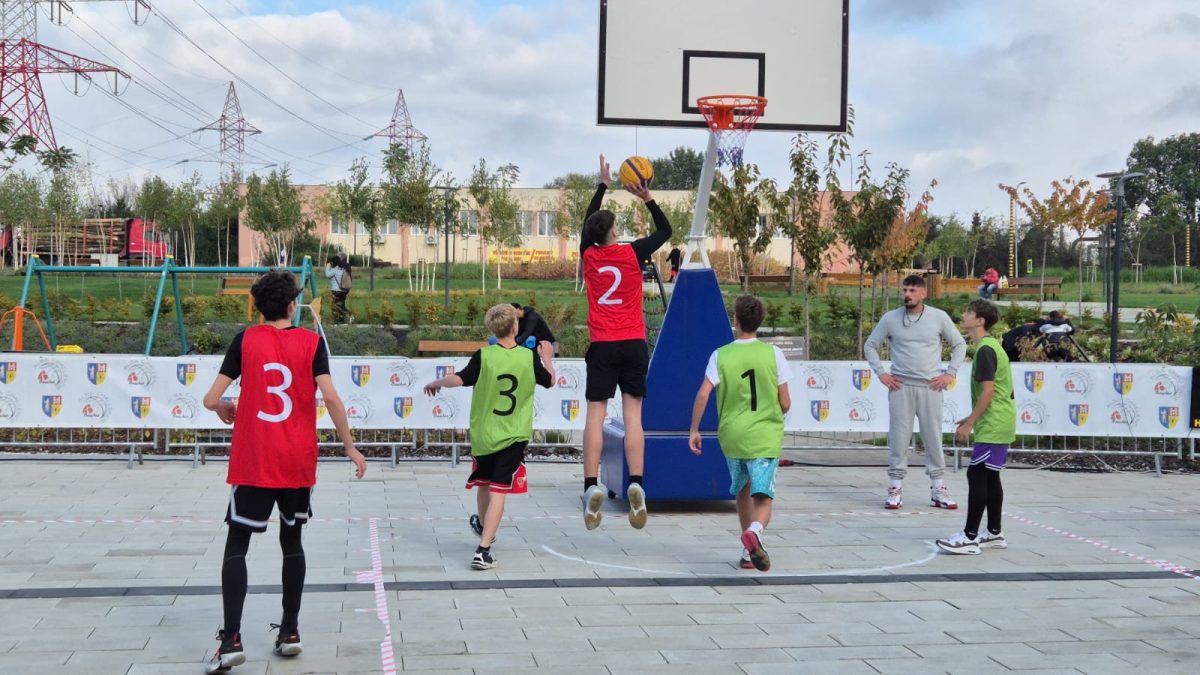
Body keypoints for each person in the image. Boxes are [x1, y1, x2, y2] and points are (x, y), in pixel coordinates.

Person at [201, 269, 367, 674]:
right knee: (292, 542)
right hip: (296, 459)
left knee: (237, 544)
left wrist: (223, 408)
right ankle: (290, 631)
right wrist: (349, 445)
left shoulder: (246, 340)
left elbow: (211, 398)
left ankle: (231, 640)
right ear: (293, 305)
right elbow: (329, 397)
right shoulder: (311, 344)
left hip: (255, 457)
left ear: (258, 307)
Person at [423, 304, 555, 569]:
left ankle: (483, 526)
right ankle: (483, 549)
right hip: (513, 433)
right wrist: (548, 358)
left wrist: (437, 382)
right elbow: (550, 381)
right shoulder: (527, 357)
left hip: (484, 432)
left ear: (492, 330)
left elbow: (459, 380)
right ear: (515, 327)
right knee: (499, 490)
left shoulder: (483, 356)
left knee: (484, 483)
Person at [579, 153, 672, 530]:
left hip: (602, 344)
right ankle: (636, 482)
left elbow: (587, 225)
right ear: (614, 232)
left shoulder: (589, 255)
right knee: (633, 417)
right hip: (633, 341)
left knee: (595, 416)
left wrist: (602, 184)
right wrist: (647, 197)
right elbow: (665, 232)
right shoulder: (634, 252)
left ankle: (589, 485)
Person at [687, 296, 791, 571]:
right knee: (764, 497)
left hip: (732, 435)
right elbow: (786, 402)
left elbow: (703, 394)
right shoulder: (773, 354)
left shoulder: (720, 354)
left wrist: (695, 429)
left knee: (743, 491)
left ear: (736, 320)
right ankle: (755, 532)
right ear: (760, 322)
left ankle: (747, 552)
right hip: (764, 435)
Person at [865, 274, 967, 510]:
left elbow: (959, 344)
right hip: (901, 386)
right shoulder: (890, 318)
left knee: (933, 437)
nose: (907, 295)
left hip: (930, 386)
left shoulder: (938, 317)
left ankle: (938, 488)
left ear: (923, 293)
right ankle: (895, 488)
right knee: (899, 438)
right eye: (905, 290)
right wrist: (881, 373)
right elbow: (870, 345)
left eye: (912, 290)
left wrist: (950, 373)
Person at [936, 299, 1015, 554]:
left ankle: (970, 537)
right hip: (999, 420)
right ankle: (993, 532)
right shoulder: (989, 346)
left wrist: (970, 423)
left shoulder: (985, 350)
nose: (964, 314)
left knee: (977, 474)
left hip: (994, 422)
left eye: (969, 312)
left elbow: (989, 392)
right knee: (990, 476)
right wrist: (971, 417)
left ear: (980, 320)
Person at [324, 254, 351, 324]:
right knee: (341, 305)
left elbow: (327, 275)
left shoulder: (335, 269)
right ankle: (342, 320)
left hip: (336, 290)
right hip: (343, 290)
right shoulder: (342, 268)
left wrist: (327, 266)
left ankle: (337, 320)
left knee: (335, 306)